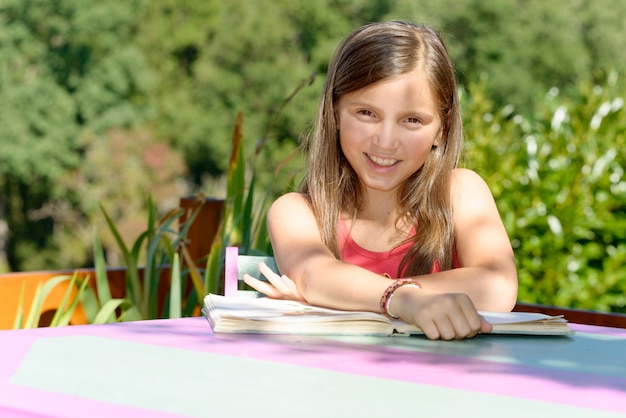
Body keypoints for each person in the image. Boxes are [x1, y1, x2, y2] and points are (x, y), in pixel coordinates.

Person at [244, 20, 518, 340]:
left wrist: (337, 300)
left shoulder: (461, 192)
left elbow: (497, 287)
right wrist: (404, 300)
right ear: (334, 113)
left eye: (412, 120)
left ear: (441, 130)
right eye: (366, 114)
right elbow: (314, 274)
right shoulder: (298, 211)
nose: (386, 141)